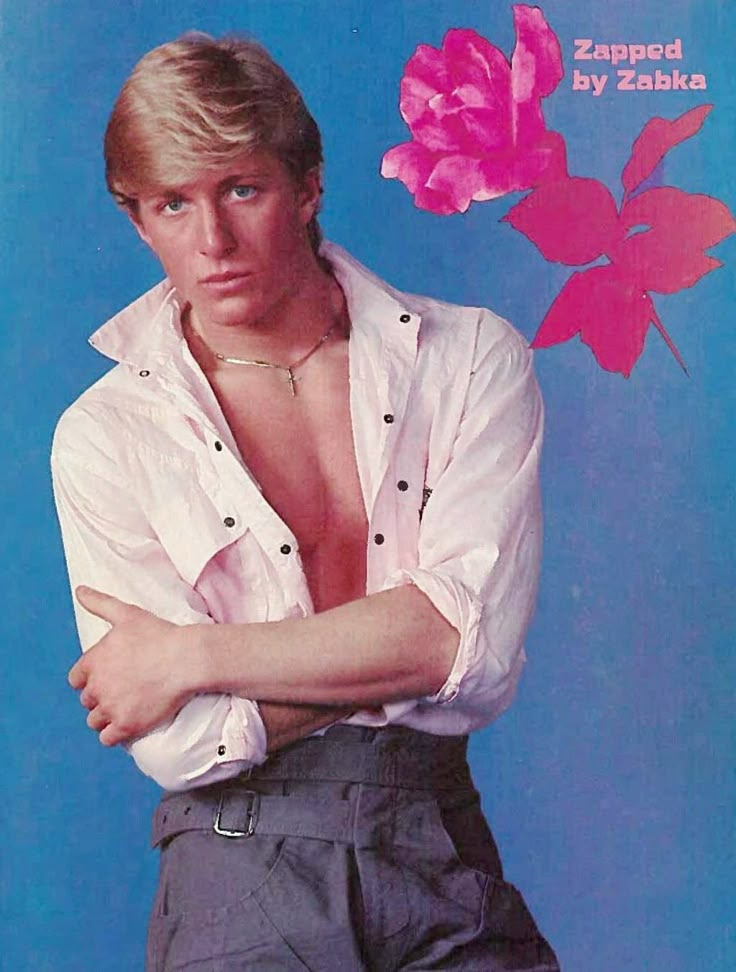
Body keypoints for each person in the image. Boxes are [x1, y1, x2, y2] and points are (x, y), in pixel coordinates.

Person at [52, 32, 559, 971]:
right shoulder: (108, 433)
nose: (212, 242)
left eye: (242, 190)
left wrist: (194, 655)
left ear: (308, 186)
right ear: (139, 221)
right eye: (173, 204)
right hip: (235, 868)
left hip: (437, 847)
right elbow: (184, 741)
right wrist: (399, 650)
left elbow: (465, 649)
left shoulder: (468, 361)